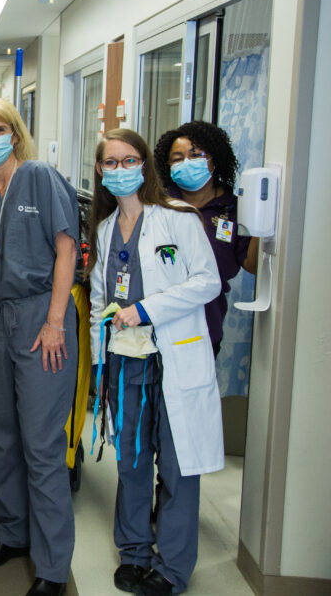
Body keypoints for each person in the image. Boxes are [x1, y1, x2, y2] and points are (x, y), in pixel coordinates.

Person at [88, 128, 223, 596]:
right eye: (111, 163)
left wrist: (146, 309)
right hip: (125, 361)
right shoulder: (104, 230)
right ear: (100, 171)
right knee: (131, 462)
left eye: (130, 161)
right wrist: (97, 364)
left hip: (175, 359)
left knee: (179, 467)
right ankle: (134, 552)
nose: (120, 171)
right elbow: (99, 304)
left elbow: (207, 282)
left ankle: (172, 568)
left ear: (145, 165)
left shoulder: (178, 218)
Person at [0, 95, 79, 596]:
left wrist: (55, 322)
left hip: (39, 315)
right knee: (0, 432)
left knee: (42, 443)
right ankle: (13, 533)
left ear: (14, 131)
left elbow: (67, 248)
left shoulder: (41, 178)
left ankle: (52, 566)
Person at [154, 120, 258, 357]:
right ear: (167, 165)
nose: (187, 163)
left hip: (206, 321)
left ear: (214, 159)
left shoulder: (232, 209)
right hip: (158, 321)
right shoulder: (158, 204)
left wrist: (262, 225)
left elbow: (251, 265)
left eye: (196, 155)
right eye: (177, 158)